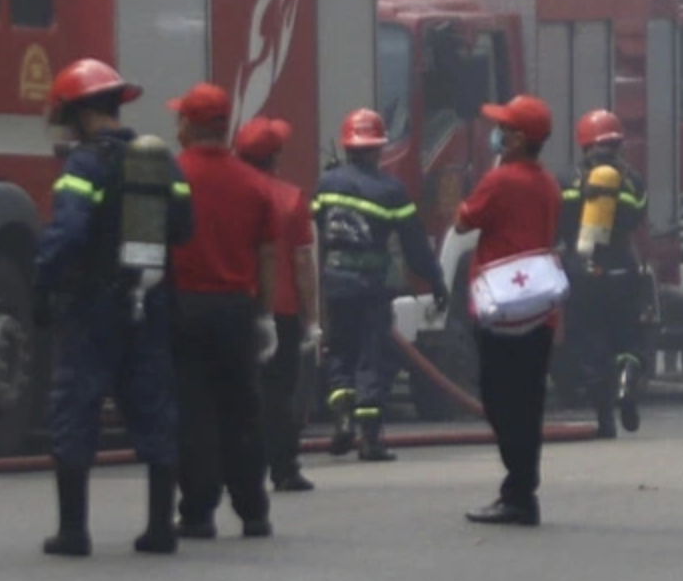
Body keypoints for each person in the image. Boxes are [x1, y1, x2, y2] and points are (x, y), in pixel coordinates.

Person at [32, 58, 189, 558]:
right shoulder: (162, 161)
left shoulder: (83, 165)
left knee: (76, 406)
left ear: (78, 113)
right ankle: (160, 527)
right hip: (150, 299)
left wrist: (42, 284)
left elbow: (69, 234)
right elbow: (185, 228)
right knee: (153, 408)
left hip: (91, 305)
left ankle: (73, 531)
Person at [168, 85, 278, 541]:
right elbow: (267, 254)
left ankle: (197, 513)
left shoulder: (172, 177)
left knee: (193, 412)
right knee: (241, 410)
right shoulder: (254, 184)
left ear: (189, 126)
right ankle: (253, 510)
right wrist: (266, 316)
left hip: (183, 306)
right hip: (236, 310)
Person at [449, 96, 565, 526]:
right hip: (539, 310)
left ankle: (517, 490)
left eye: (502, 128)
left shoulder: (500, 182)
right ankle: (523, 490)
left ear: (517, 139)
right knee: (528, 400)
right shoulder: (548, 183)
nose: (495, 133)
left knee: (499, 399)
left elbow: (463, 222)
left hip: (500, 307)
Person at [314, 108, 440, 461]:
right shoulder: (390, 190)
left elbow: (319, 221)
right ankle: (370, 440)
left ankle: (341, 422)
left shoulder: (327, 184)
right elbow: (415, 245)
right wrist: (436, 281)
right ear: (378, 148)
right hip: (371, 287)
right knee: (370, 356)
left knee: (338, 351)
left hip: (335, 283)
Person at [235, 115, 320, 495]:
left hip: (234, 305)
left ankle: (234, 469)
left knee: (233, 391)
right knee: (278, 393)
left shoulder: (228, 192)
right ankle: (284, 469)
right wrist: (313, 318)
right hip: (281, 310)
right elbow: (303, 263)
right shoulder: (291, 198)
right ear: (276, 157)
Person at [558, 109, 653, 438]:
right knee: (629, 336)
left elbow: (557, 222)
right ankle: (628, 376)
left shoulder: (568, 179)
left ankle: (604, 420)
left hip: (583, 271)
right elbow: (638, 218)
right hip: (622, 267)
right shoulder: (633, 180)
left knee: (590, 340)